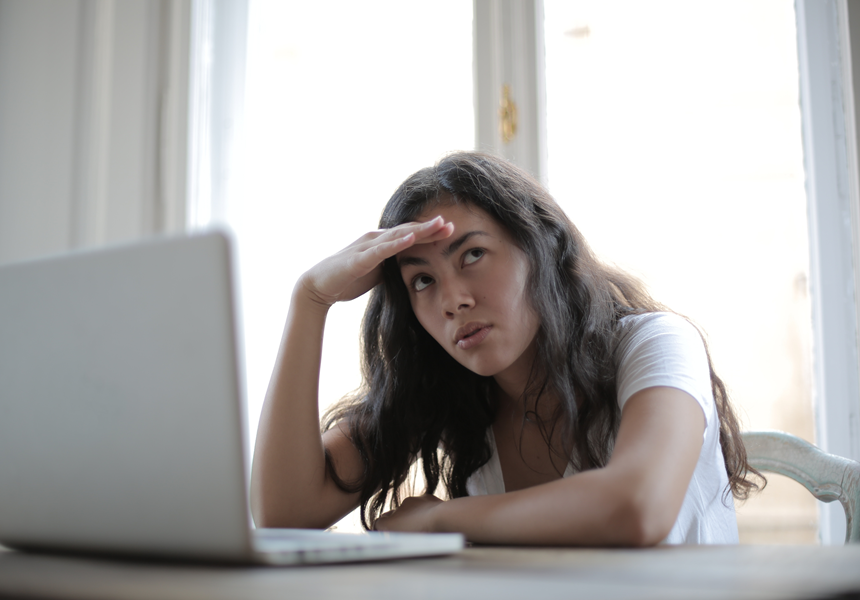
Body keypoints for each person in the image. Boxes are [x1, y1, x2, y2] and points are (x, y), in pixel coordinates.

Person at [250, 151, 761, 546]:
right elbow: (284, 513)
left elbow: (638, 507)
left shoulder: (655, 344)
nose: (453, 299)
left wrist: (439, 519)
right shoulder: (448, 388)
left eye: (473, 254)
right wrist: (310, 300)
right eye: (422, 281)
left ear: (542, 248)